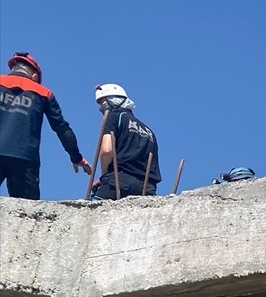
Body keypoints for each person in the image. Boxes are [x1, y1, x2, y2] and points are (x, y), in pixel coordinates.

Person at [0, 52, 91, 199]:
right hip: (25, 159)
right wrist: (76, 157)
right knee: (27, 213)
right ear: (34, 76)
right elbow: (61, 128)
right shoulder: (43, 92)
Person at [91, 84, 160, 199]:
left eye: (103, 102)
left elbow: (107, 151)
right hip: (148, 188)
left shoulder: (114, 116)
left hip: (119, 182)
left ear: (114, 100)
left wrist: (105, 177)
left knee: (92, 213)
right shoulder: (149, 131)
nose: (102, 108)